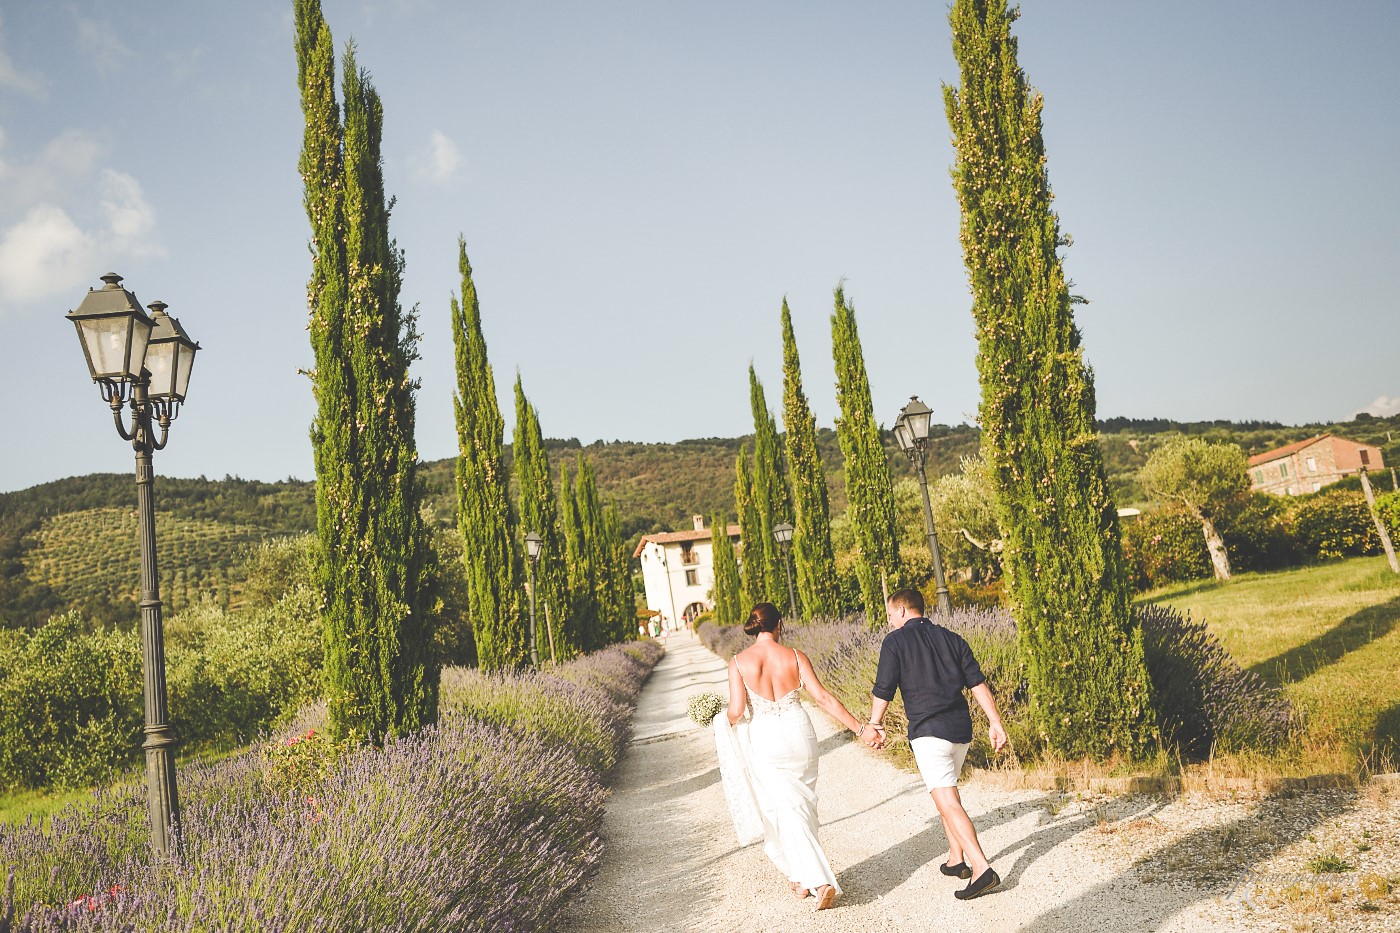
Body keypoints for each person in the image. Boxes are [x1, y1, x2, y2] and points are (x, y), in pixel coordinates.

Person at [722, 602, 881, 911]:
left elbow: (737, 711)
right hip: (799, 732)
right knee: (801, 806)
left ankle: (820, 881)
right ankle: (798, 876)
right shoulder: (795, 656)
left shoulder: (738, 662)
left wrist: (719, 721)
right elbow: (823, 698)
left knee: (786, 809)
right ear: (778, 624)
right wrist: (860, 729)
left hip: (765, 738)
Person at [867, 588, 1008, 900]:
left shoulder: (895, 641)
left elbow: (884, 688)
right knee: (947, 793)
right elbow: (977, 683)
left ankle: (981, 868)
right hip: (960, 732)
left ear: (902, 611)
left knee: (947, 801)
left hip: (929, 733)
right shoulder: (951, 638)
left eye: (890, 614)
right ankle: (956, 859)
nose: (889, 621)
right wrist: (995, 722)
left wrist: (875, 724)